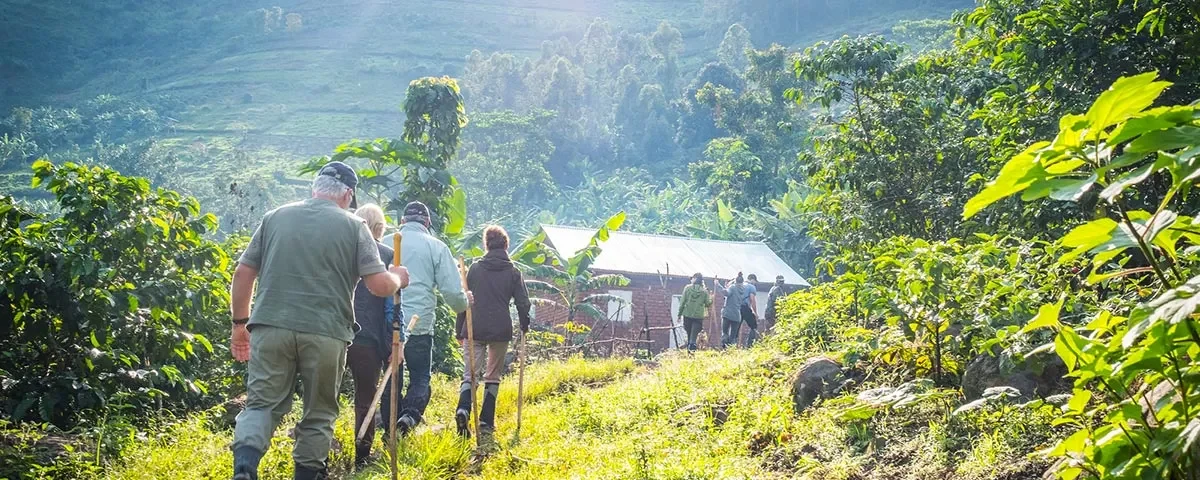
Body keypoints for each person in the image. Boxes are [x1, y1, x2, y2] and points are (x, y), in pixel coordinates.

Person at [229, 161, 409, 480]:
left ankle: (245, 465)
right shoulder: (354, 227)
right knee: (318, 412)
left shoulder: (275, 218)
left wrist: (239, 325)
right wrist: (397, 278)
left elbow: (244, 273)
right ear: (347, 195)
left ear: (315, 188)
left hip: (271, 326)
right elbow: (378, 285)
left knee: (261, 404)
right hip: (326, 333)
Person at [381, 201, 470, 436]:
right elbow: (452, 293)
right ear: (427, 222)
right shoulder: (436, 247)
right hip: (419, 323)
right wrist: (465, 302)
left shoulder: (385, 242)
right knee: (420, 376)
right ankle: (409, 417)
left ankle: (389, 427)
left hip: (388, 323)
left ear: (402, 220)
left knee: (392, 375)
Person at [452, 225, 531, 444]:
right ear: (506, 245)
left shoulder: (476, 268)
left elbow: (464, 299)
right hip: (500, 330)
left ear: (486, 245)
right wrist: (525, 325)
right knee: (492, 376)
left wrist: (460, 329)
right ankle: (486, 423)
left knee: (470, 375)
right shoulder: (514, 272)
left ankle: (464, 409)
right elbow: (523, 303)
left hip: (474, 327)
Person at [345, 204, 400, 469]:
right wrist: (394, 341)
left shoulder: (343, 248)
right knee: (366, 400)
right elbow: (391, 306)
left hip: (337, 333)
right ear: (379, 228)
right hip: (368, 339)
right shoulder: (387, 255)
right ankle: (362, 458)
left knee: (323, 399)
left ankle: (316, 461)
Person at [677, 273, 712, 352]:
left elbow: (682, 302)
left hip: (687, 315)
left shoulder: (687, 288)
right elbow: (707, 303)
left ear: (694, 279)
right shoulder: (704, 291)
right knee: (693, 337)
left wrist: (679, 315)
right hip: (698, 317)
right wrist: (711, 298)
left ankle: (689, 353)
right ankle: (692, 352)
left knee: (689, 335)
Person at [716, 273, 747, 348]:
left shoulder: (733, 287)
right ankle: (731, 350)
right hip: (737, 315)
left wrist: (717, 285)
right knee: (733, 336)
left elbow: (726, 293)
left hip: (728, 313)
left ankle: (724, 349)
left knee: (725, 333)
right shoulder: (744, 289)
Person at [742, 273, 760, 347]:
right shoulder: (751, 287)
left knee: (735, 327)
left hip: (736, 307)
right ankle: (749, 345)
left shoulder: (740, 284)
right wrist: (755, 313)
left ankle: (731, 345)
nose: (755, 283)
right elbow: (752, 300)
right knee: (753, 326)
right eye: (755, 281)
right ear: (752, 280)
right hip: (745, 308)